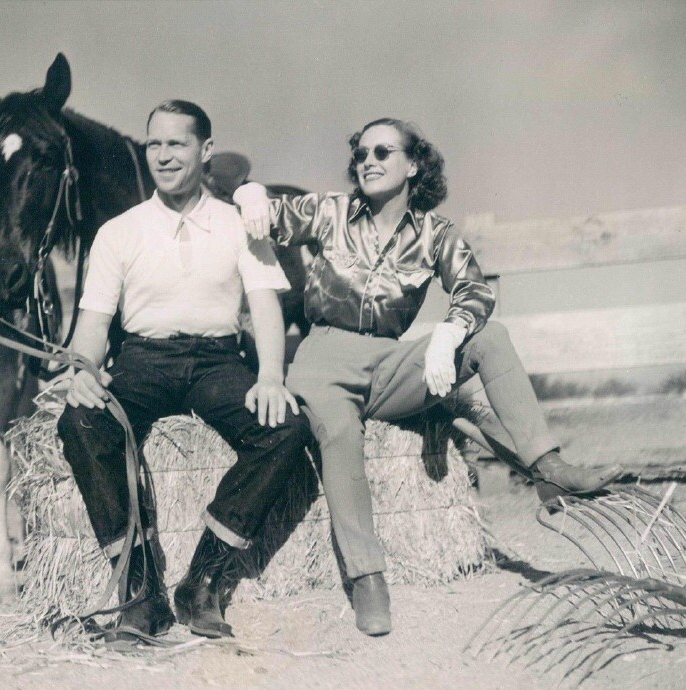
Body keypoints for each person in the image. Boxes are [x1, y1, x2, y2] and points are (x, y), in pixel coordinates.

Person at [233, 118, 623, 637]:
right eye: (362, 154)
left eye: (383, 152)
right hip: (323, 358)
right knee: (341, 434)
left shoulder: (436, 234)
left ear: (413, 165)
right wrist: (250, 190)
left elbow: (476, 291)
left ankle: (547, 466)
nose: (368, 161)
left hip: (390, 363)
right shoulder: (330, 211)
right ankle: (368, 577)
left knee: (490, 336)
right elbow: (265, 216)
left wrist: (448, 332)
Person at [54, 100, 312, 643]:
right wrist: (81, 370)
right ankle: (140, 593)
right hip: (143, 361)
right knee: (78, 424)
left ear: (205, 151)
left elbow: (265, 307)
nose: (164, 155)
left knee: (285, 429)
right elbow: (93, 326)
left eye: (177, 143)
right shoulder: (118, 231)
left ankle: (202, 582)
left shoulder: (238, 224)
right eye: (154, 144)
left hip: (218, 361)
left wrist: (269, 376)